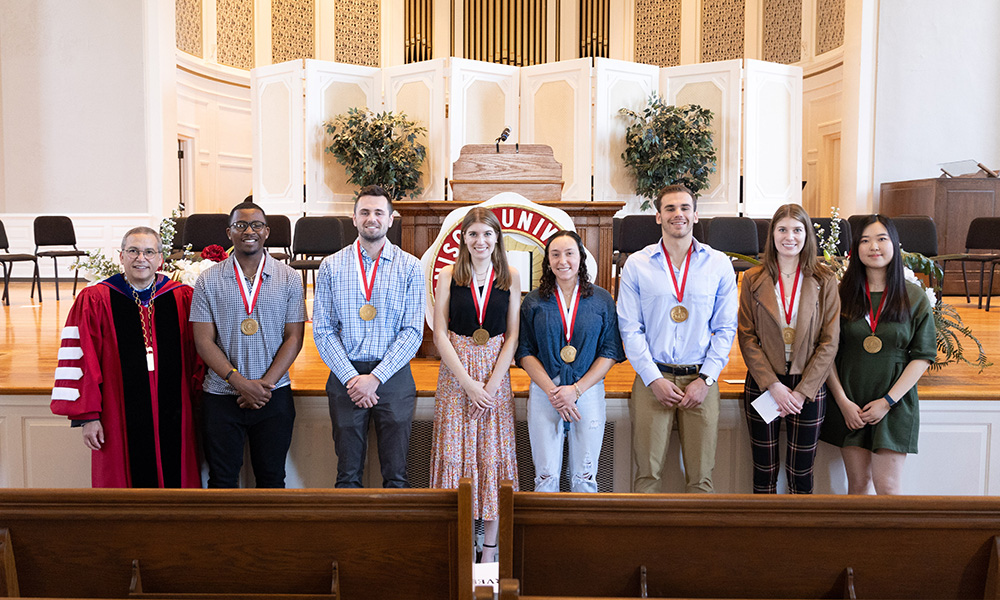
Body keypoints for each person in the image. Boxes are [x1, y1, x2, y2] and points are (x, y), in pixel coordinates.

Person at [50, 227, 202, 488]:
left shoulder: (181, 297)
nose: (140, 258)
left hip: (176, 414)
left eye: (148, 252)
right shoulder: (96, 299)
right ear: (121, 256)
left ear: (160, 259)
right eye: (133, 251)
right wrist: (88, 417)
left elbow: (198, 358)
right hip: (115, 415)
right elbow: (81, 359)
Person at [617, 184, 738, 493]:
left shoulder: (718, 264)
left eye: (685, 208)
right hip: (652, 378)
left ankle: (696, 543)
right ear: (658, 216)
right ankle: (647, 542)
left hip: (701, 379)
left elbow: (725, 329)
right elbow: (630, 329)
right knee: (646, 477)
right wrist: (653, 378)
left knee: (701, 479)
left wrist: (707, 378)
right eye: (670, 208)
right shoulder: (637, 265)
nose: (678, 214)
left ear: (696, 215)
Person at [313, 184, 425, 488]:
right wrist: (352, 378)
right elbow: (322, 330)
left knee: (397, 474)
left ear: (390, 219)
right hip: (345, 375)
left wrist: (375, 378)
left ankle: (394, 536)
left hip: (393, 376)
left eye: (378, 212)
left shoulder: (411, 267)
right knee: (347, 474)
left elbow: (413, 331)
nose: (371, 218)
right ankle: (350, 536)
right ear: (353, 218)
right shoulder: (331, 267)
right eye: (364, 212)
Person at [190, 201, 305, 488]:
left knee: (272, 478)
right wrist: (240, 383)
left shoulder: (289, 278)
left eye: (256, 225)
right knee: (222, 480)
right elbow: (203, 341)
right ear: (229, 232)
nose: (248, 231)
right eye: (240, 225)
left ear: (267, 232)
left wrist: (263, 386)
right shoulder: (208, 280)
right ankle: (224, 536)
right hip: (221, 395)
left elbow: (294, 337)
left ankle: (267, 535)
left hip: (273, 394)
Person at [821, 215, 936, 495]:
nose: (874, 246)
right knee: (858, 485)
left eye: (881, 239)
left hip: (894, 402)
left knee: (888, 487)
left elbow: (922, 356)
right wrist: (843, 402)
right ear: (855, 249)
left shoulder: (913, 296)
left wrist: (887, 401)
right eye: (865, 240)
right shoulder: (841, 295)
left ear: (895, 244)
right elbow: (827, 353)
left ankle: (893, 542)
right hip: (851, 400)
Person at [430, 207, 520, 563]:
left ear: (496, 237)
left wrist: (492, 384)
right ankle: (463, 541)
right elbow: (439, 332)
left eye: (487, 234)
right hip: (457, 374)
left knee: (492, 457)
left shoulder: (510, 275)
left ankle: (490, 548)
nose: (480, 241)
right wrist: (468, 384)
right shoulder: (448, 275)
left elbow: (512, 335)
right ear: (463, 239)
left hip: (496, 372)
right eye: (473, 234)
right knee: (457, 455)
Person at [737, 204, 840, 494]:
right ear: (772, 235)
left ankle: (798, 538)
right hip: (764, 384)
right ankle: (766, 535)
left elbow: (829, 341)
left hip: (808, 385)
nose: (789, 237)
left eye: (797, 230)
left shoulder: (825, 279)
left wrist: (802, 391)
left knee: (801, 472)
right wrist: (774, 386)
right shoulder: (753, 279)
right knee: (764, 471)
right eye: (782, 229)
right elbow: (747, 337)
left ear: (807, 235)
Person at [517, 230, 626, 496]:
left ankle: (581, 538)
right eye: (555, 254)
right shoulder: (533, 301)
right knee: (545, 477)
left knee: (585, 478)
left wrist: (575, 390)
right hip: (546, 393)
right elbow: (524, 351)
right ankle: (545, 538)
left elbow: (610, 351)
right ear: (548, 261)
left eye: (569, 253)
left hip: (587, 392)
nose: (562, 260)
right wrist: (554, 393)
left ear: (581, 258)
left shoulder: (601, 300)